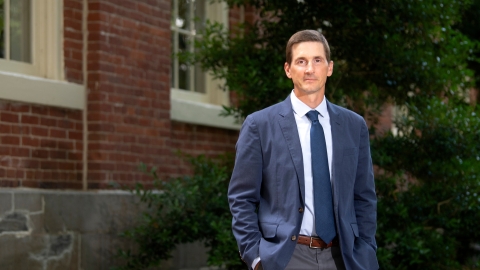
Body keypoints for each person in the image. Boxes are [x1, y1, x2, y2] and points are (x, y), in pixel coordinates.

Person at [227, 30, 378, 270]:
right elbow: (241, 198)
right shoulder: (260, 125)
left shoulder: (353, 125)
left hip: (345, 258)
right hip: (286, 258)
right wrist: (255, 257)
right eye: (301, 61)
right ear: (288, 69)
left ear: (329, 67)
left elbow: (364, 196)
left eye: (317, 60)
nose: (310, 69)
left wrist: (366, 249)